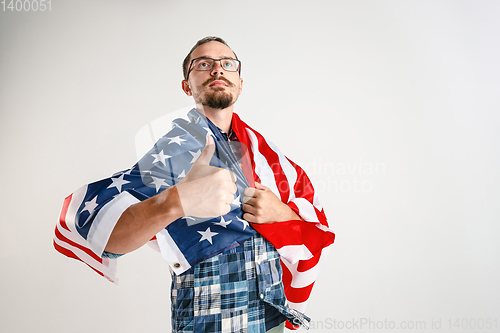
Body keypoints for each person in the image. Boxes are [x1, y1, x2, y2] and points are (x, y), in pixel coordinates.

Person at [54, 36, 335, 333]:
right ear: (187, 86)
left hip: (270, 313)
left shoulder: (266, 156)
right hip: (213, 319)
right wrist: (177, 200)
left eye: (227, 64)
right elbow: (105, 239)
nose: (217, 69)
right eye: (203, 64)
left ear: (240, 83)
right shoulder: (176, 151)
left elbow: (316, 227)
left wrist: (282, 214)